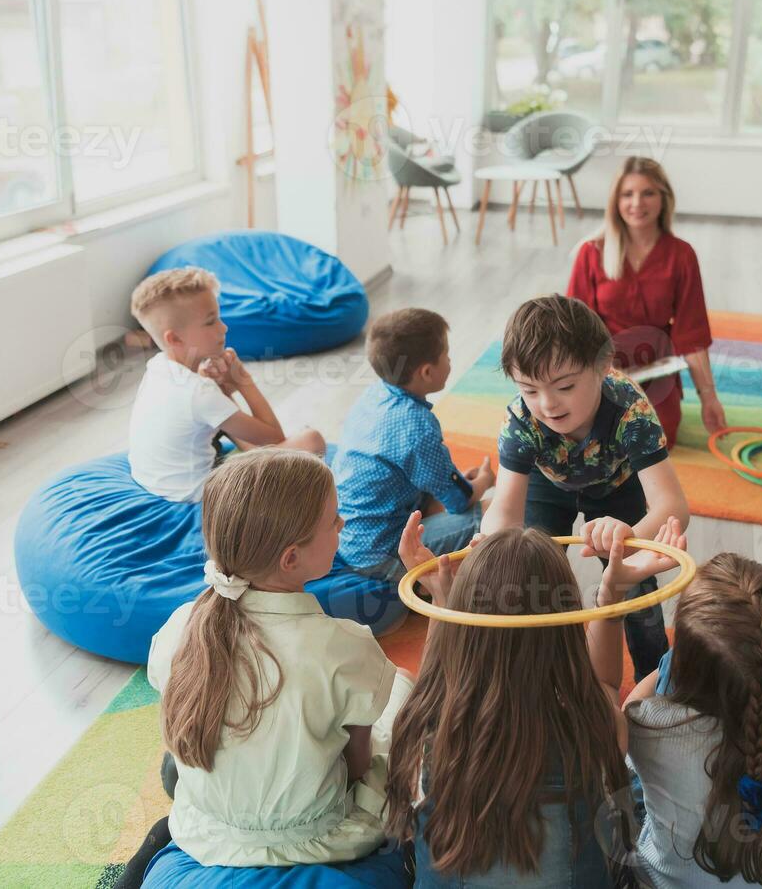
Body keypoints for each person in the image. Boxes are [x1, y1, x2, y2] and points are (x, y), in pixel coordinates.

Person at [138, 450, 411, 884]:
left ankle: (156, 846)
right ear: (290, 559)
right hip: (316, 838)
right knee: (403, 700)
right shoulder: (346, 647)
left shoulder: (180, 626)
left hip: (205, 828)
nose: (342, 525)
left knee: (181, 766)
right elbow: (357, 767)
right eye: (333, 520)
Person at [387, 512, 683, 887]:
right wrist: (612, 596)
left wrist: (444, 603)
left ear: (462, 628)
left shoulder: (425, 722)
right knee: (633, 779)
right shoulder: (594, 724)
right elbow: (606, 687)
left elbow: (436, 679)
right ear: (563, 630)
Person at [482, 293, 690, 676]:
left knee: (638, 590)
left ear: (603, 365)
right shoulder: (519, 421)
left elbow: (673, 506)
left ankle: (656, 679)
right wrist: (493, 546)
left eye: (564, 387)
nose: (547, 405)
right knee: (534, 582)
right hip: (549, 487)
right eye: (529, 390)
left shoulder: (632, 410)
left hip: (618, 487)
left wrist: (628, 535)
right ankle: (547, 675)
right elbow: (504, 510)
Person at [626, 552, 762, 888]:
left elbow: (630, 703)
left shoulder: (647, 726)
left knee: (631, 787)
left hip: (664, 882)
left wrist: (669, 664)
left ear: (688, 672)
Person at [127, 267, 322, 503]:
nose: (223, 328)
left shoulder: (159, 366)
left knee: (225, 411)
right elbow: (273, 437)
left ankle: (251, 451)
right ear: (175, 338)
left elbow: (212, 412)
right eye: (211, 322)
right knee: (311, 440)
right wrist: (243, 381)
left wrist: (221, 389)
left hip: (159, 482)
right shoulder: (197, 393)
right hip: (199, 495)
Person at [567, 156, 724, 448]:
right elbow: (574, 331)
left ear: (664, 198)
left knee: (659, 440)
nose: (637, 203)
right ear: (616, 201)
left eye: (648, 193)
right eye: (628, 194)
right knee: (597, 440)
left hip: (657, 368)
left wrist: (709, 397)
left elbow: (691, 335)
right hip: (601, 369)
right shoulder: (591, 252)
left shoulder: (682, 255)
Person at [334, 308, 493, 580]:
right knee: (498, 509)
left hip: (352, 539)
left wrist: (456, 483)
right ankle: (429, 582)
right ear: (427, 372)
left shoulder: (374, 394)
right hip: (384, 553)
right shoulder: (417, 425)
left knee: (441, 497)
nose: (450, 359)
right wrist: (485, 481)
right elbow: (459, 500)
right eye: (447, 354)